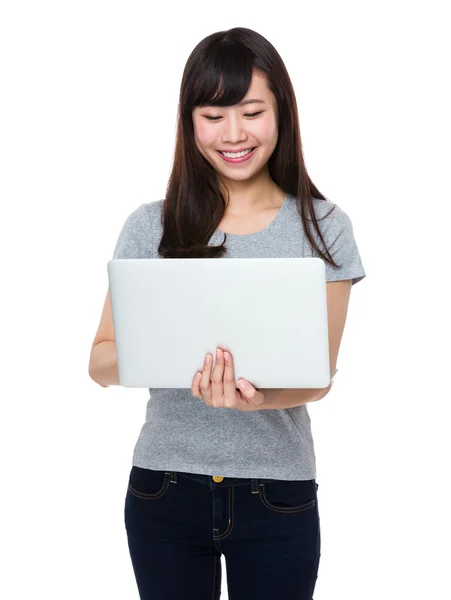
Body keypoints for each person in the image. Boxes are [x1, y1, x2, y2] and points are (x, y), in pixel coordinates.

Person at [88, 26, 366, 600]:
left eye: (252, 111)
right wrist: (173, 363)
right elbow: (100, 360)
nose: (234, 134)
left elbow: (319, 378)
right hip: (164, 488)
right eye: (213, 115)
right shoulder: (151, 225)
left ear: (281, 114)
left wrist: (260, 398)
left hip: (278, 493)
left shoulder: (325, 226)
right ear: (189, 122)